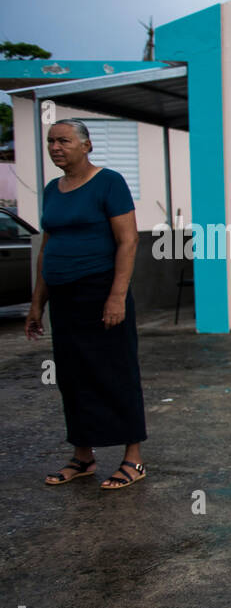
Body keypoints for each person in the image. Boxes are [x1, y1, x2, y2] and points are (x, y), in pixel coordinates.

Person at [25, 118, 148, 490]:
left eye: (63, 140)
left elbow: (128, 242)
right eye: (50, 141)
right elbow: (47, 248)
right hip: (64, 298)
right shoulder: (52, 189)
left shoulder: (108, 182)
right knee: (73, 376)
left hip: (100, 292)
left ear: (86, 145)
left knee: (115, 371)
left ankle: (133, 459)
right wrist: (37, 304)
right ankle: (83, 456)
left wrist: (116, 296)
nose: (55, 147)